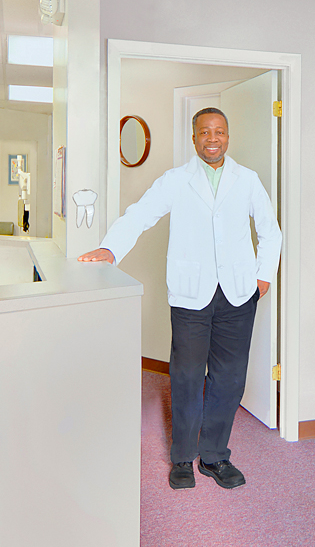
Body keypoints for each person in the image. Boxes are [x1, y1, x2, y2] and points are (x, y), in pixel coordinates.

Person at [79, 107, 281, 490]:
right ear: (194, 138)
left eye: (219, 131)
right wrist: (110, 249)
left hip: (239, 294)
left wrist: (263, 276)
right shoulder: (176, 180)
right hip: (191, 293)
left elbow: (271, 232)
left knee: (229, 378)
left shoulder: (248, 180)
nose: (212, 138)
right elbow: (139, 215)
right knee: (187, 376)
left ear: (227, 136)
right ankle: (183, 458)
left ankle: (215, 456)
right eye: (204, 132)